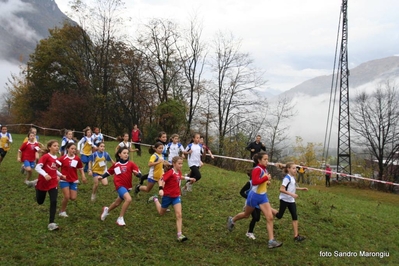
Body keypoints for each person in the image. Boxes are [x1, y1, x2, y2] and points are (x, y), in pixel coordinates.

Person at [226, 152, 282, 249]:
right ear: (259, 160)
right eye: (265, 159)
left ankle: (271, 241)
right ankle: (232, 220)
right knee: (246, 215)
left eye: (267, 159)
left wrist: (267, 181)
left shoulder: (265, 169)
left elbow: (263, 180)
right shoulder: (257, 169)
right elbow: (255, 182)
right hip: (254, 196)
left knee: (270, 218)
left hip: (263, 196)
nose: (267, 161)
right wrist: (265, 178)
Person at [148, 156, 196, 242]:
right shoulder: (170, 172)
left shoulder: (178, 172)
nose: (181, 165)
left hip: (176, 196)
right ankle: (155, 199)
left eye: (182, 164)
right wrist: (161, 189)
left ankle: (179, 235)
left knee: (179, 214)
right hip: (167, 196)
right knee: (161, 213)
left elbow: (180, 177)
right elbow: (161, 180)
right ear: (174, 164)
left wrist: (189, 178)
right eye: (179, 164)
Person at [99, 146, 142, 226]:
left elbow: (140, 174)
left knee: (117, 203)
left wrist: (137, 174)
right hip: (119, 185)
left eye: (127, 153)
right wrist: (102, 177)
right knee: (128, 199)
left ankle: (106, 210)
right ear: (119, 154)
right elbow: (109, 172)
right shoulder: (116, 165)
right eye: (124, 153)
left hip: (127, 187)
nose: (126, 155)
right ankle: (120, 218)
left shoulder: (131, 164)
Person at [273, 162, 308, 242]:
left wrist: (301, 189)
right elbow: (281, 189)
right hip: (284, 199)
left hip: (291, 201)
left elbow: (292, 187)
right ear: (288, 169)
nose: (295, 170)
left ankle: (296, 236)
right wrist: (292, 194)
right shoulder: (287, 178)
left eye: (296, 168)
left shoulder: (292, 178)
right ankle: (269, 209)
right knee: (279, 216)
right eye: (293, 168)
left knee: (295, 217)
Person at [35, 140, 65, 231]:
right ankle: (36, 184)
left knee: (54, 201)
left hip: (53, 183)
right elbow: (37, 167)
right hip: (43, 183)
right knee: (40, 201)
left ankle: (51, 223)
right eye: (55, 145)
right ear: (49, 147)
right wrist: (45, 175)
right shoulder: (45, 157)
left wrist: (60, 175)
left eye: (58, 146)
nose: (57, 147)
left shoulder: (57, 159)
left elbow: (54, 169)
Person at [58, 142, 87, 217]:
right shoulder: (62, 158)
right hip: (64, 180)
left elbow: (80, 168)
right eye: (72, 148)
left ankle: (64, 204)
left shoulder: (77, 158)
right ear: (67, 149)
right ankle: (62, 211)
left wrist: (83, 176)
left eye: (74, 149)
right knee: (67, 196)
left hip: (74, 180)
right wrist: (59, 175)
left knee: (73, 198)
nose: (73, 150)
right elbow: (54, 167)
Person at [239, 171, 261, 240]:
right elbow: (241, 192)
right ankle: (249, 232)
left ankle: (232, 220)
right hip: (250, 202)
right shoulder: (250, 183)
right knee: (254, 217)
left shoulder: (260, 183)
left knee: (256, 218)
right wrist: (249, 197)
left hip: (258, 203)